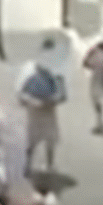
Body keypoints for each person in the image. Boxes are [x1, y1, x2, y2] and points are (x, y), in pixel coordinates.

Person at [15, 37, 67, 175]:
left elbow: (63, 94)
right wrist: (32, 101)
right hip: (34, 110)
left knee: (51, 139)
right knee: (31, 140)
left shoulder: (57, 70)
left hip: (49, 109)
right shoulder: (29, 68)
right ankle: (27, 165)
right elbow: (20, 92)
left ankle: (50, 165)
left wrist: (54, 99)